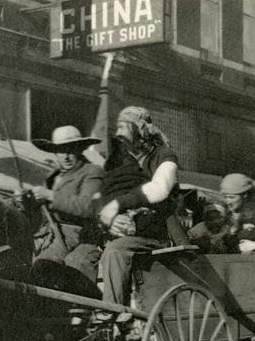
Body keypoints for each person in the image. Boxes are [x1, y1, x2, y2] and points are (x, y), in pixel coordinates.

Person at [96, 106, 184, 310]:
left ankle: (112, 313)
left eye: (123, 127)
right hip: (124, 232)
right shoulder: (118, 161)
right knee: (83, 254)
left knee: (115, 251)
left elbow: (159, 189)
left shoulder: (165, 156)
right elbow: (101, 195)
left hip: (156, 232)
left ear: (140, 130)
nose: (118, 135)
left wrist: (117, 204)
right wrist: (110, 221)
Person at [27, 125, 104, 290]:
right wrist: (27, 201)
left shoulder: (92, 171)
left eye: (71, 150)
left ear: (80, 150)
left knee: (42, 265)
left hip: (74, 234)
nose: (66, 156)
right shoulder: (52, 176)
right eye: (61, 151)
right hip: (45, 234)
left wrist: (50, 195)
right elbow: (41, 211)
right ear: (55, 152)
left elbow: (88, 206)